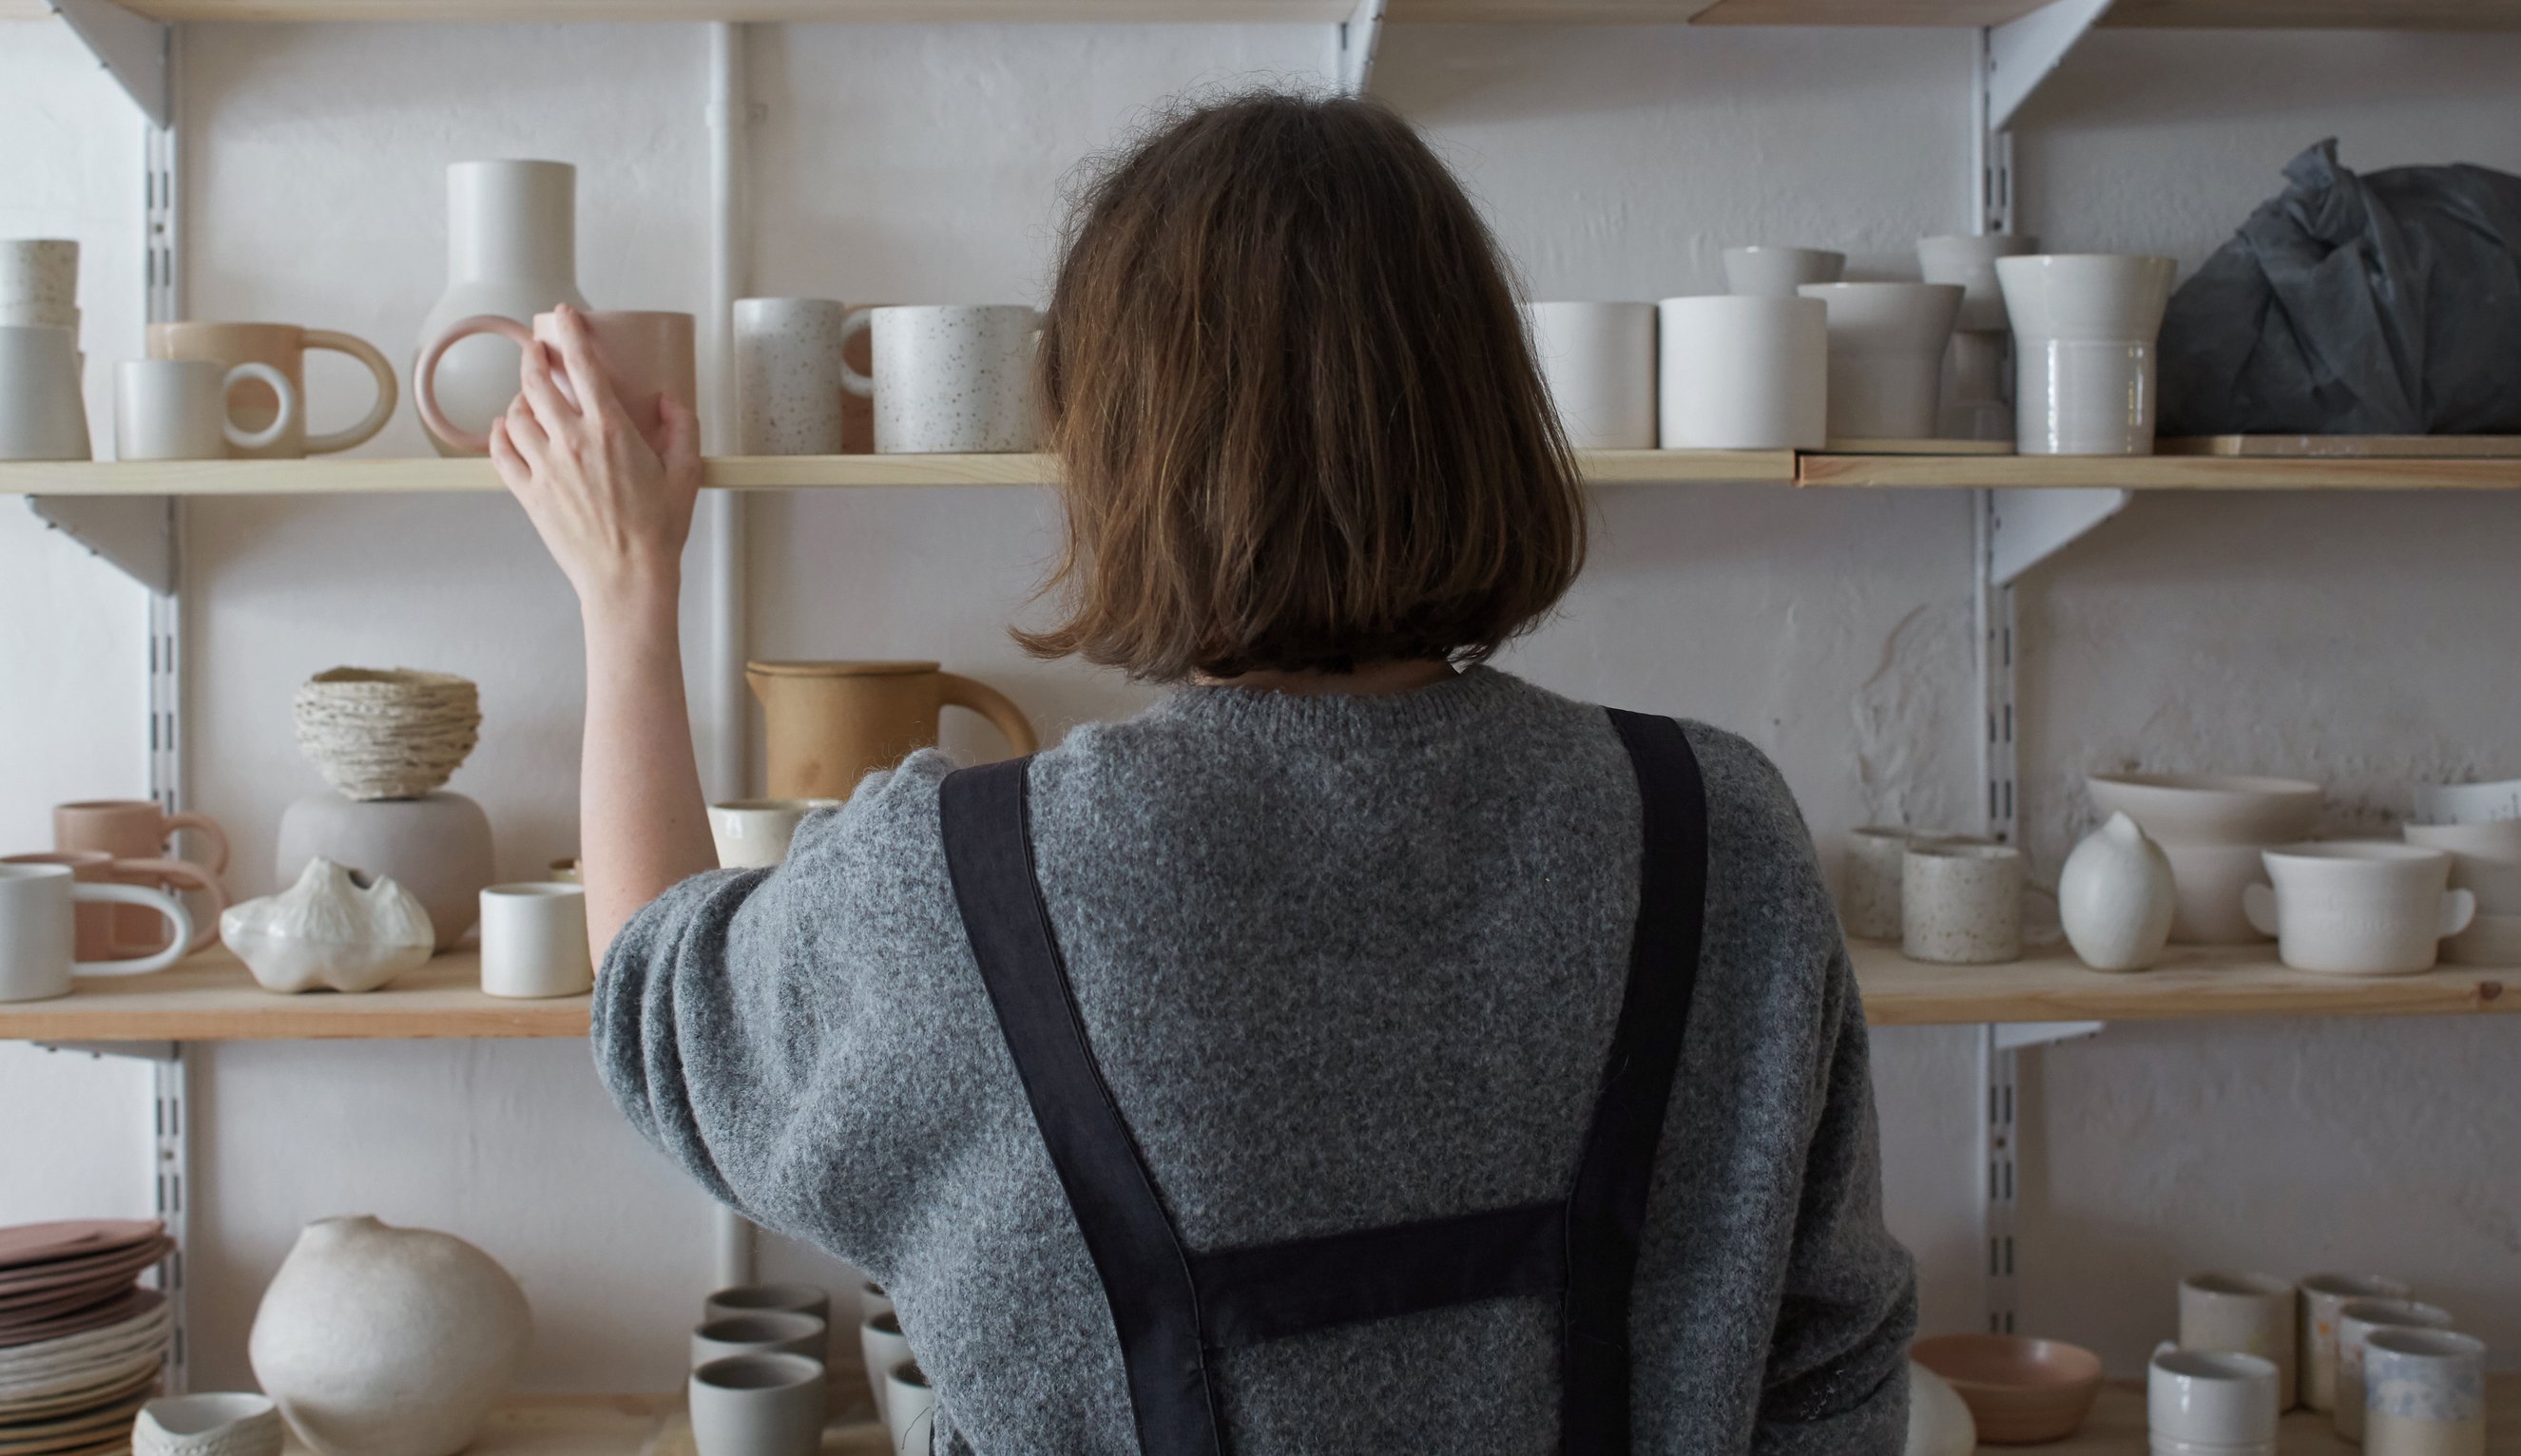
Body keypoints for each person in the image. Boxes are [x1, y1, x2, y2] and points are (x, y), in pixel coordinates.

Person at [491, 90, 1914, 1456]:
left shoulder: (962, 893)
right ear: (1485, 406)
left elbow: (650, 1005)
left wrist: (629, 590)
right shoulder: (1719, 835)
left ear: (1111, 446)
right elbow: (1833, 1367)